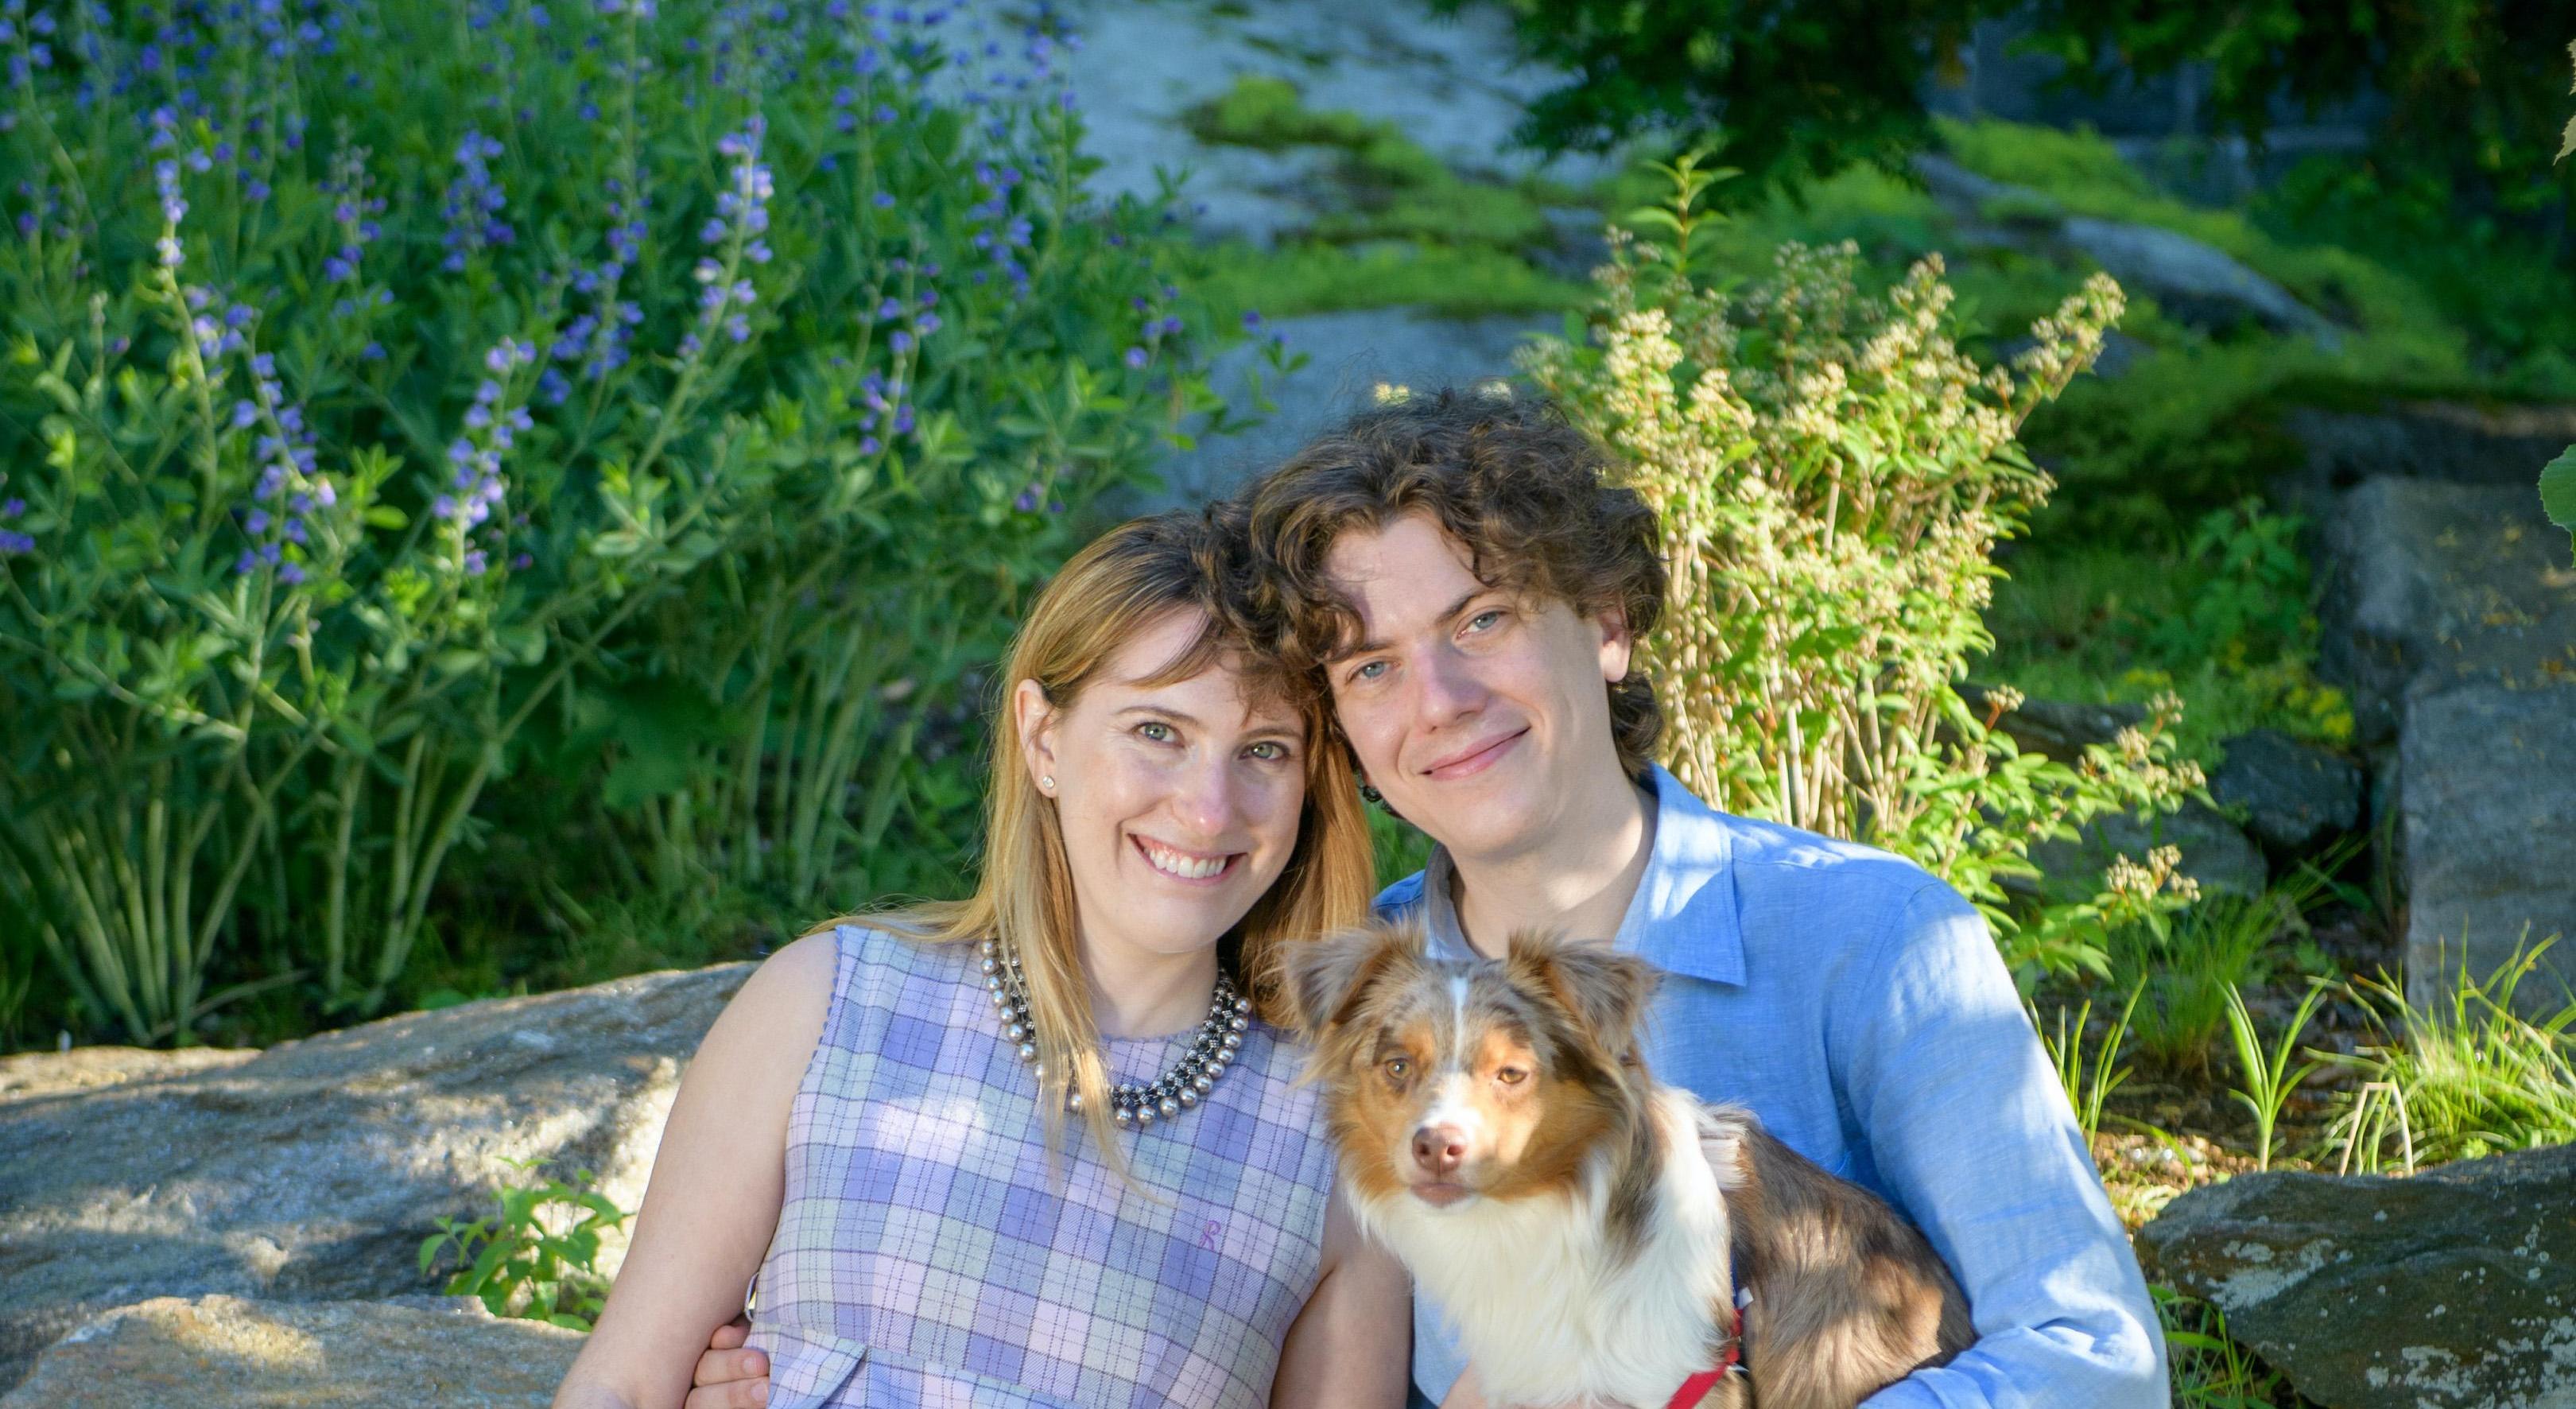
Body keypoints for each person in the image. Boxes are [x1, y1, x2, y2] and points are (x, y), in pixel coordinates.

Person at [692, 390, 2165, 1407]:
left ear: (1605, 621)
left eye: (1483, 620)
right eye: (1372, 663)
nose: (1440, 699)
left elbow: (2096, 1363)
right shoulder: (1331, 1011)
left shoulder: (1871, 940)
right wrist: (809, 1360)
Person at [556, 512, 1412, 1409]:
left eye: (1264, 750)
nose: (1208, 809)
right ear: (1044, 739)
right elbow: (623, 1384)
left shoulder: (1343, 1139)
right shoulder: (828, 1000)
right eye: (1157, 731)